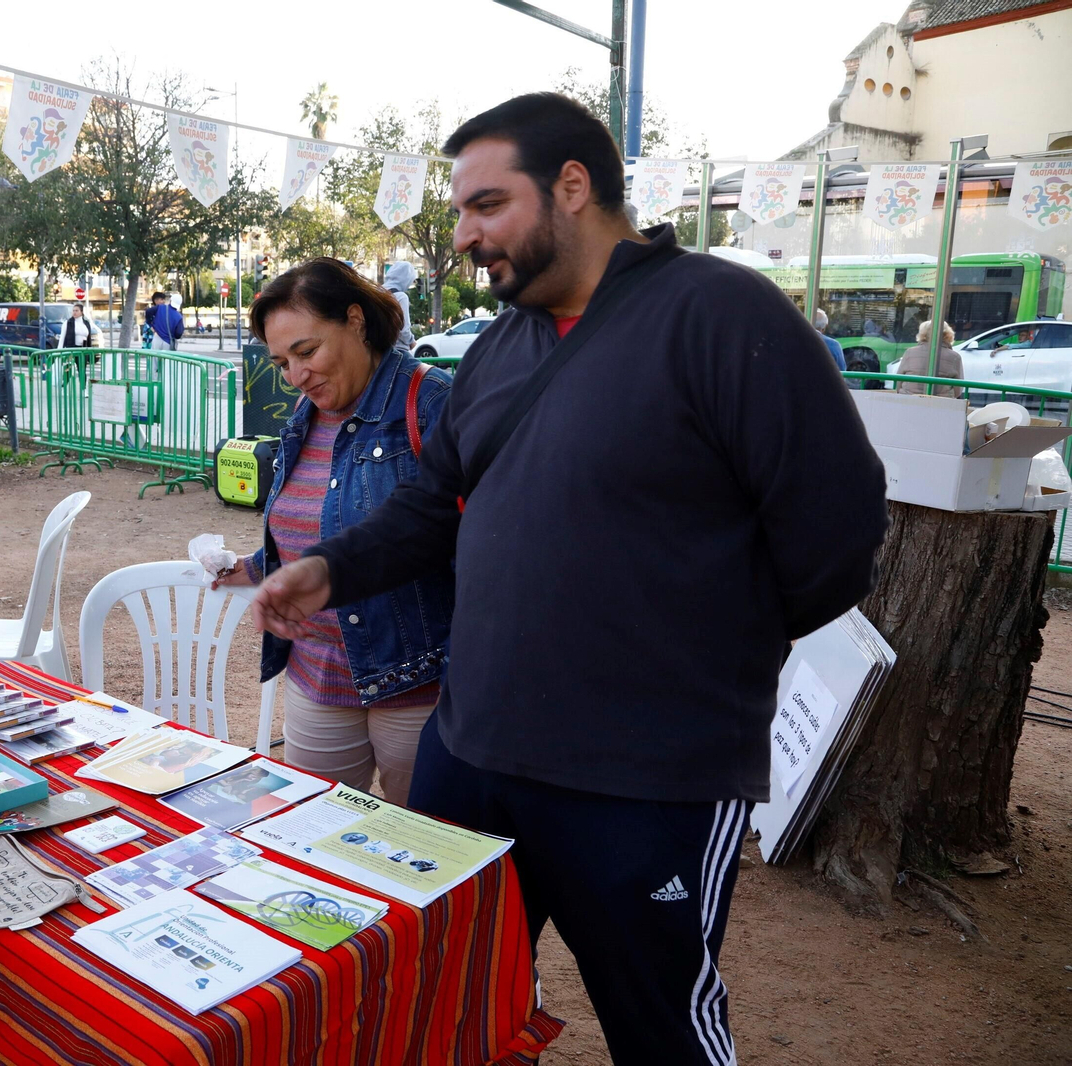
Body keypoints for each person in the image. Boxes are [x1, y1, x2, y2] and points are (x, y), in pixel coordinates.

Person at [250, 93, 888, 1065]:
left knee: (659, 1027)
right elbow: (431, 505)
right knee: (450, 1002)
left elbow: (835, 531)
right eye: (460, 211)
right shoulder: (500, 346)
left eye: (487, 205)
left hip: (645, 777)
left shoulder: (721, 314)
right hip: (473, 750)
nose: (463, 235)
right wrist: (332, 569)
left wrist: (694, 658)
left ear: (573, 187)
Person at [215, 258, 454, 805]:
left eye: (306, 351)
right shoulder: (305, 412)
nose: (295, 376)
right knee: (311, 833)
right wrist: (255, 568)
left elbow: (452, 537)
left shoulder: (431, 403)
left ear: (356, 321)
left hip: (418, 684)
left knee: (423, 841)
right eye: (282, 362)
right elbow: (313, 525)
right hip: (316, 677)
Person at [896, 319, 964, 398]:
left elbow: (899, 382)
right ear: (948, 335)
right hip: (941, 402)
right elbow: (958, 389)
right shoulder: (955, 357)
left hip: (909, 399)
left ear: (922, 334)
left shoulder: (910, 352)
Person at [383, 261, 419, 348]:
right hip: (398, 349)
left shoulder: (377, 292)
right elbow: (404, 330)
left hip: (379, 349)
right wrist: (411, 342)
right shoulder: (401, 297)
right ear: (406, 279)